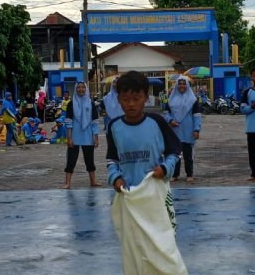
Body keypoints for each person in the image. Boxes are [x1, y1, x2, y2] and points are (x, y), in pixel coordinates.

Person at [105, 71, 182, 221]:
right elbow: (112, 160)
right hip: (128, 196)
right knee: (134, 242)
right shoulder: (114, 127)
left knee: (159, 241)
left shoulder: (157, 122)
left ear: (146, 98)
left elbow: (175, 151)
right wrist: (115, 178)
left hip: (156, 195)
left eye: (136, 98)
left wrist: (165, 168)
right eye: (126, 99)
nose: (131, 104)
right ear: (118, 100)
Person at [162, 76, 202, 182]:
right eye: (180, 84)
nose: (182, 86)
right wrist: (170, 121)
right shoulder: (171, 99)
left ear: (187, 85)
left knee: (188, 155)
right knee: (175, 155)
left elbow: (196, 115)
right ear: (176, 85)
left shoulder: (193, 100)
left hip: (188, 131)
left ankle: (189, 174)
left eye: (184, 84)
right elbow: (166, 113)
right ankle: (175, 175)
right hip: (175, 131)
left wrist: (196, 129)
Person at [63, 81, 102, 189]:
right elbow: (69, 122)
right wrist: (69, 138)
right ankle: (68, 183)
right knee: (71, 159)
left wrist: (96, 138)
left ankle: (93, 181)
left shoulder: (91, 103)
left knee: (90, 159)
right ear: (75, 89)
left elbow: (94, 121)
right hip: (74, 135)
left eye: (83, 87)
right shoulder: (71, 104)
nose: (81, 89)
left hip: (88, 135)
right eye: (78, 87)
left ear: (86, 89)